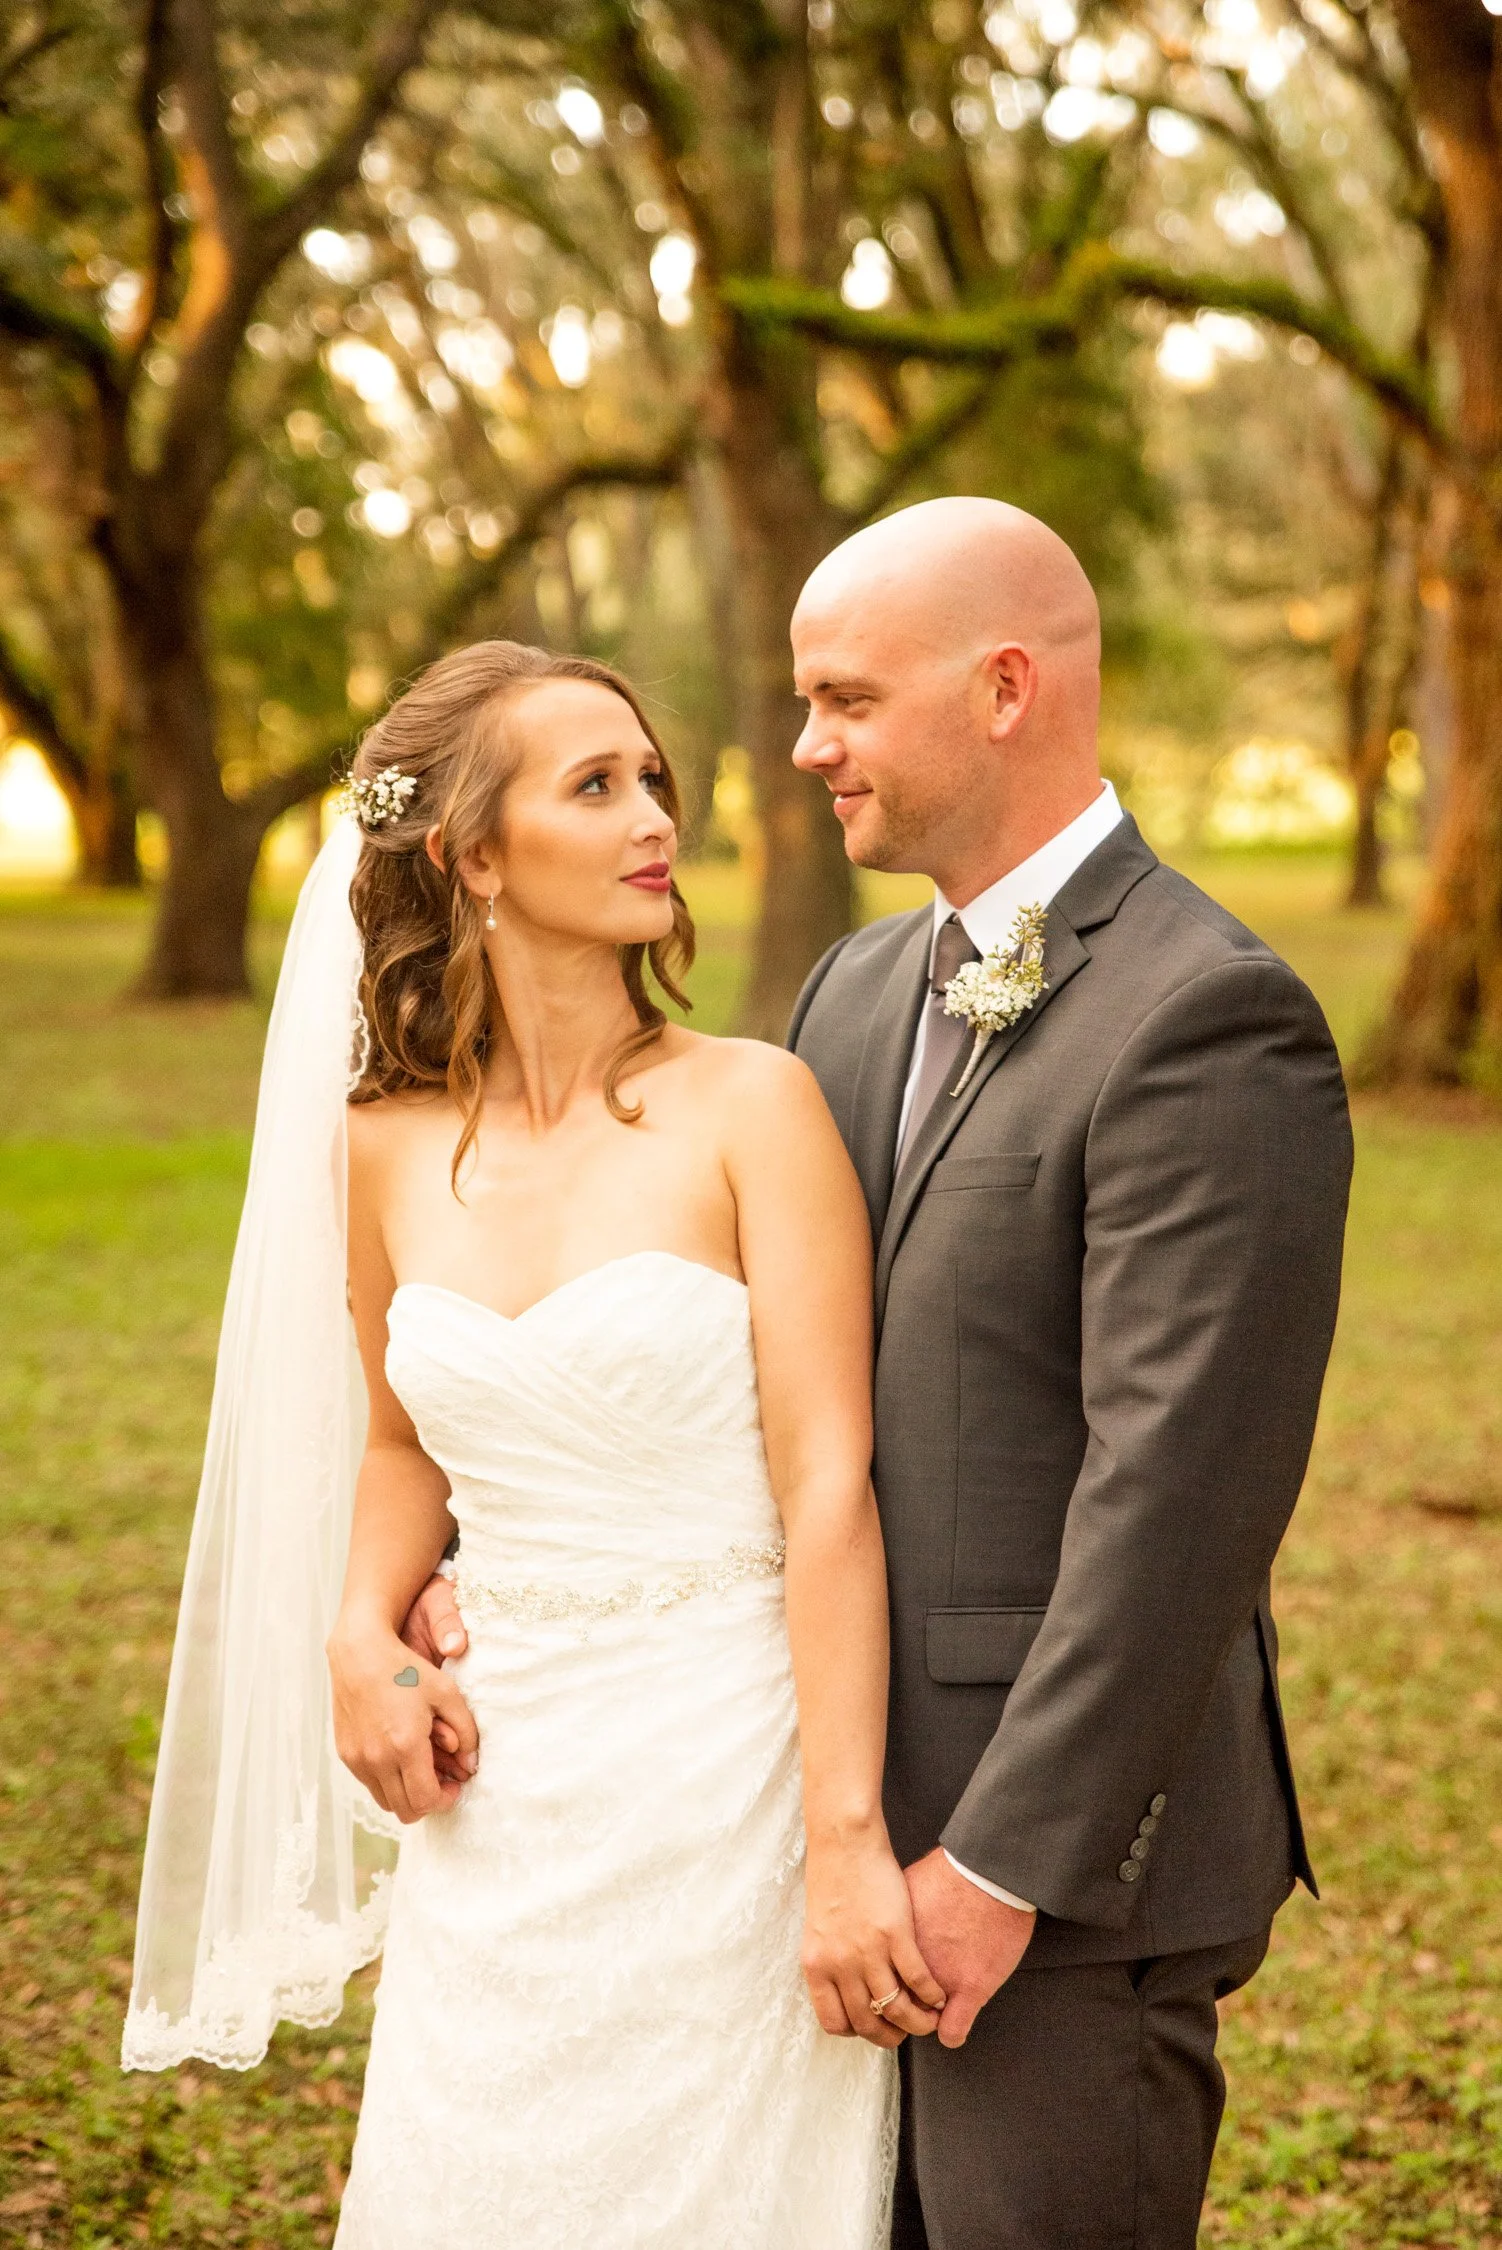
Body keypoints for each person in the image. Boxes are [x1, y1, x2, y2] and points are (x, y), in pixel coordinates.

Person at [411, 497, 1353, 2250]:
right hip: (781, 1821)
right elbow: (748, 1364)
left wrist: (1000, 1872)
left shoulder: (1206, 1014)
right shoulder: (849, 991)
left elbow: (1180, 1503)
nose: (799, 743)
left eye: (844, 697)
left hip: (1056, 1874)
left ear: (1003, 689)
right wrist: (503, 1561)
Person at [123, 643, 914, 2247]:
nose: (653, 823)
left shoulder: (752, 1107)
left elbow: (830, 1482)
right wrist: (359, 1624)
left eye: (652, 783)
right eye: (596, 785)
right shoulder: (387, 1144)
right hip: (503, 1791)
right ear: (471, 857)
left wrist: (845, 1841)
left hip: (731, 1781)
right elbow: (404, 1442)